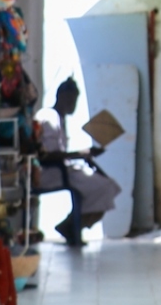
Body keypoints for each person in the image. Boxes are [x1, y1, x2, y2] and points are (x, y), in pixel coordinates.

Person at [35, 78, 122, 246]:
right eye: (72, 98)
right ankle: (70, 226)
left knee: (110, 188)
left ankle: (71, 225)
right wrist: (81, 154)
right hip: (50, 172)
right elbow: (47, 155)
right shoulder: (49, 117)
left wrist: (85, 156)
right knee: (105, 187)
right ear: (62, 96)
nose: (74, 103)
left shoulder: (59, 118)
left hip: (62, 169)